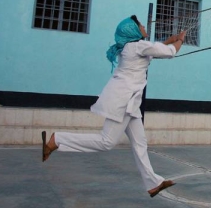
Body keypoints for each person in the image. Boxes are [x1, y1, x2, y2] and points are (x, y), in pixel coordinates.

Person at [41, 15, 186, 198]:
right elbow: (169, 52)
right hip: (124, 102)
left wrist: (170, 40)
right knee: (106, 142)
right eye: (140, 25)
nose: (143, 26)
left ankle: (153, 183)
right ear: (133, 31)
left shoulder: (131, 47)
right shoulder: (138, 46)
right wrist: (179, 40)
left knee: (140, 143)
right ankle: (58, 139)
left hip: (130, 104)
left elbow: (153, 52)